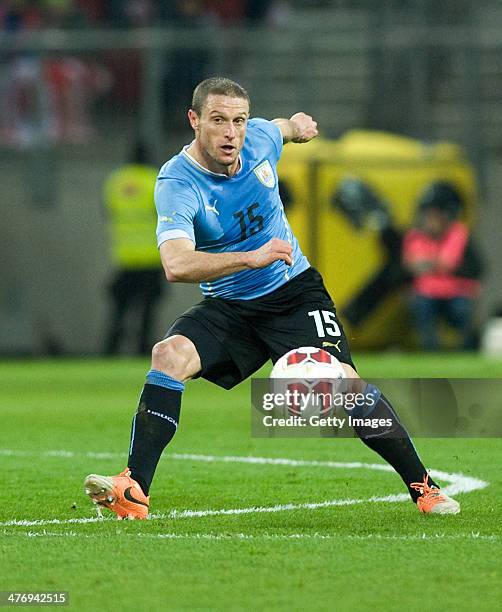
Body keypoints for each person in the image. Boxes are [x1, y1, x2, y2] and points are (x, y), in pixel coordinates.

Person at [84, 77, 460, 519]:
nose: (231, 133)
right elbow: (176, 265)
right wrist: (251, 257)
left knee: (345, 383)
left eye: (238, 121)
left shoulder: (259, 138)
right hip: (230, 304)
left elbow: (280, 128)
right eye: (218, 120)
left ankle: (424, 487)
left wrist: (298, 126)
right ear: (194, 121)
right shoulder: (177, 181)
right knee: (168, 355)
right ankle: (134, 489)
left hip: (294, 294)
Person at [402, 182, 483, 351]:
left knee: (461, 311)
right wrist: (436, 264)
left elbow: (454, 264)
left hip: (455, 292)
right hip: (426, 294)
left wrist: (428, 264)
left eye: (434, 217)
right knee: (421, 306)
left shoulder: (458, 234)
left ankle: (468, 348)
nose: (430, 222)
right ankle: (430, 349)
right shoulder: (415, 236)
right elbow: (410, 265)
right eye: (427, 216)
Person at [103, 142, 166, 355]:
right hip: (150, 257)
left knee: (119, 310)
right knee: (147, 310)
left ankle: (110, 349)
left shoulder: (116, 181)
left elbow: (108, 211)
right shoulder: (154, 179)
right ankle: (142, 349)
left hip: (125, 257)